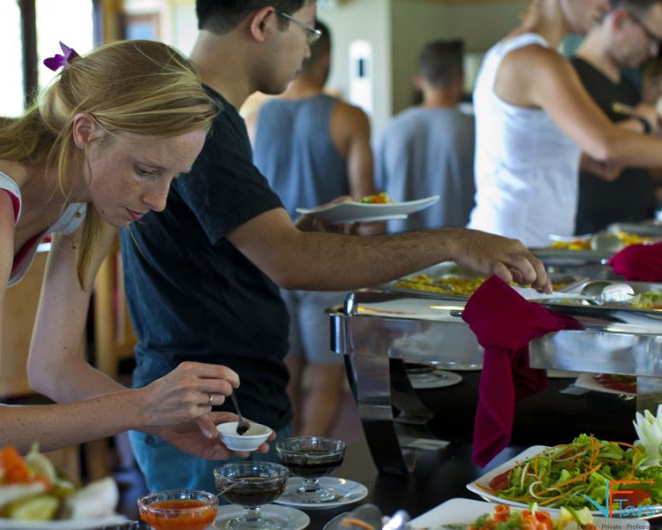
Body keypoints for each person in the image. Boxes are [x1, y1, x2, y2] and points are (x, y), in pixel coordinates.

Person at [121, 0, 550, 494]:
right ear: (262, 23)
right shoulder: (203, 118)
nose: (309, 47)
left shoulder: (210, 112)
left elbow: (217, 245)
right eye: (308, 30)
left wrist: (302, 226)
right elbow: (290, 261)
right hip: (205, 413)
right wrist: (452, 241)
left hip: (215, 396)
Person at [0, 39, 266, 463]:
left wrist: (162, 420)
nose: (159, 200)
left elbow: (54, 366)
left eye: (173, 178)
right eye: (146, 170)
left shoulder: (90, 197)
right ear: (85, 131)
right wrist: (143, 405)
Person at [246, 20, 375, 438]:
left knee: (284, 375)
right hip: (326, 268)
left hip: (269, 261)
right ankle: (305, 473)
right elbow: (366, 206)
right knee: (325, 377)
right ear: (326, 58)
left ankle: (282, 465)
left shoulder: (254, 118)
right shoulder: (349, 117)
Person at [467, 0, 662, 248]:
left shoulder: (511, 50)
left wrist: (577, 161)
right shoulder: (538, 58)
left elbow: (527, 148)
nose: (604, 5)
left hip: (518, 238)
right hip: (515, 241)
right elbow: (608, 144)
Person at [572, 0, 662, 234]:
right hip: (591, 236)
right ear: (619, 21)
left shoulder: (629, 87)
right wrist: (640, 123)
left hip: (637, 227)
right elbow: (594, 150)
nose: (653, 50)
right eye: (651, 37)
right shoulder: (570, 79)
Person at [374, 39, 475, 232]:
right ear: (461, 78)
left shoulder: (391, 129)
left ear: (418, 80)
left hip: (400, 249)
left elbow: (377, 194)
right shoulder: (477, 129)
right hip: (462, 250)